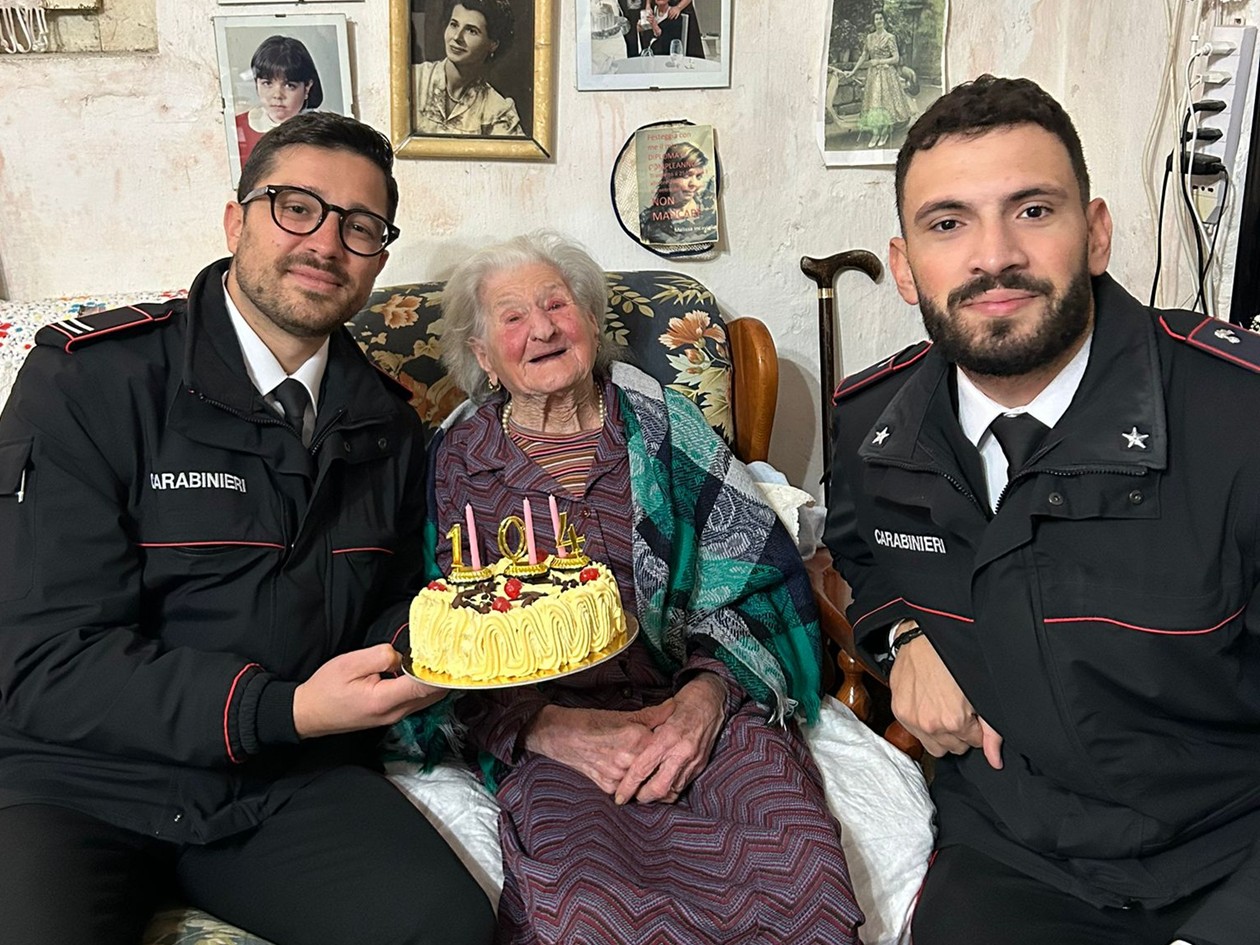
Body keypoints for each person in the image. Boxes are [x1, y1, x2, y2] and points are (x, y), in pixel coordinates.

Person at [0, 112, 496, 944]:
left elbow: (389, 600)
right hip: (74, 776)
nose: (325, 243)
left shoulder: (388, 423)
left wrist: (431, 642)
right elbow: (43, 657)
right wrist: (285, 708)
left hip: (281, 784)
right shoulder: (88, 380)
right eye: (296, 207)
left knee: (445, 925)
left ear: (378, 258)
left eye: (360, 226)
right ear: (236, 221)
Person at [824, 73, 1260, 945]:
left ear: (1094, 234)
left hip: (1231, 841)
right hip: (1016, 846)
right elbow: (861, 553)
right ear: (904, 267)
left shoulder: (1239, 414)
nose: (994, 256)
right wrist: (906, 635)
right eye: (948, 223)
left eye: (1032, 210)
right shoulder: (871, 423)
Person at [426, 231, 865, 944]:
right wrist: (543, 728)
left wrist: (705, 700)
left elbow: (756, 575)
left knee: (801, 869)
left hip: (699, 693)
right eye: (512, 316)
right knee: (587, 908)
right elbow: (438, 635)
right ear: (483, 355)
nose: (542, 329)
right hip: (549, 728)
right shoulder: (455, 463)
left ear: (590, 321)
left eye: (556, 304)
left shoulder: (667, 428)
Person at [412, 0, 523, 137]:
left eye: (471, 31)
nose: (457, 37)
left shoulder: (498, 111)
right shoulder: (413, 79)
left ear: (493, 44)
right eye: (454, 25)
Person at [235, 34, 323, 168]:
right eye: (267, 83)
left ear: (307, 87)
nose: (277, 95)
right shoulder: (238, 126)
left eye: (289, 85)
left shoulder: (324, 132)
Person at [842, 11, 915, 149]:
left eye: (881, 18)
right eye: (876, 19)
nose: (879, 21)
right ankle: (875, 134)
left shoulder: (890, 37)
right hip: (873, 76)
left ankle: (885, 133)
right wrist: (853, 71)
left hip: (887, 75)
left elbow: (896, 58)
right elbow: (864, 55)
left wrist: (879, 61)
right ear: (874, 21)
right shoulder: (869, 38)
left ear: (884, 21)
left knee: (885, 105)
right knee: (874, 105)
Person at [638, 141, 717, 246]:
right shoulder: (647, 221)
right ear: (668, 177)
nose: (694, 184)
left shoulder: (710, 211)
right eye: (686, 176)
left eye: (698, 177)